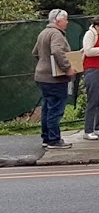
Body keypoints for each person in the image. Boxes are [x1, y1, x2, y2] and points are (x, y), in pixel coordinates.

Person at [32, 9, 75, 149]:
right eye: (65, 19)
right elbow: (57, 51)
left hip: (41, 76)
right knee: (55, 109)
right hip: (54, 79)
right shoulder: (56, 34)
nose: (67, 22)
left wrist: (44, 63)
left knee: (47, 108)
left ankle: (46, 138)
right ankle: (54, 140)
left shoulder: (43, 33)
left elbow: (35, 53)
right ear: (58, 21)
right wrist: (67, 67)